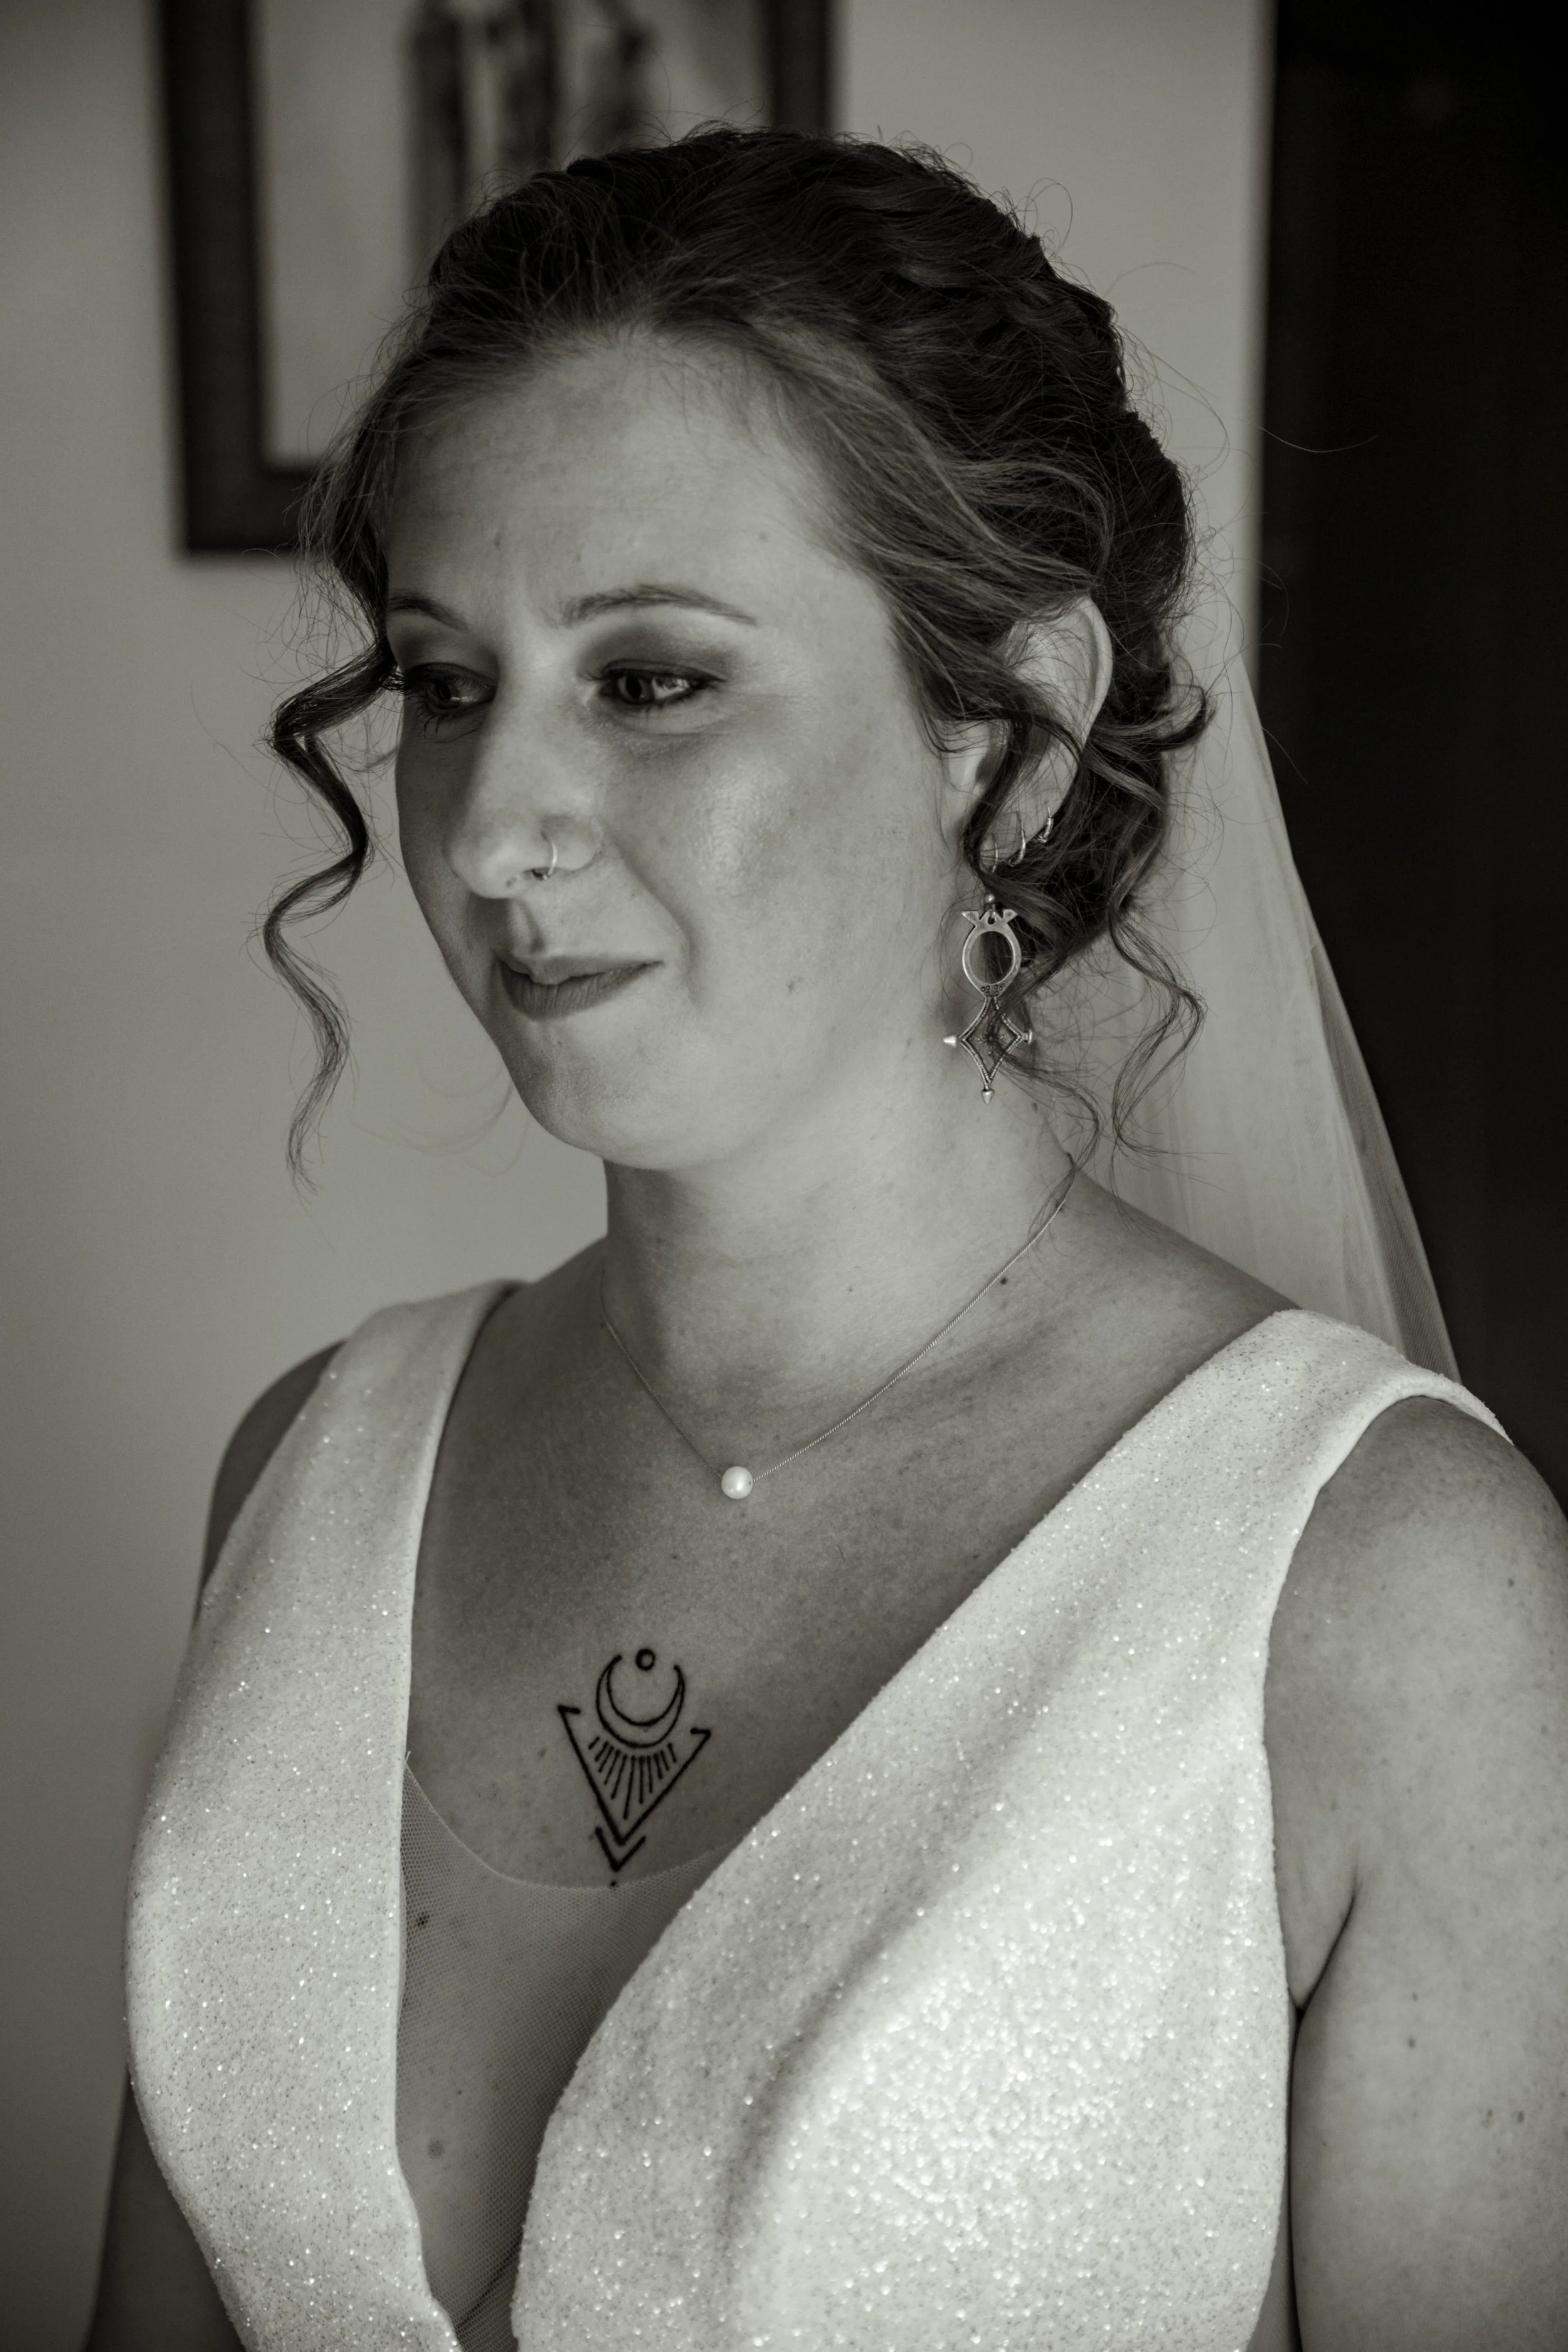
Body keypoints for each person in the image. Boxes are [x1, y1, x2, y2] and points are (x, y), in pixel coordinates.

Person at [88, 129, 1568, 2352]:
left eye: (653, 678)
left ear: (1012, 734)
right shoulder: (307, 1468)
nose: (492, 830)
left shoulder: (1388, 1592)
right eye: (447, 679)